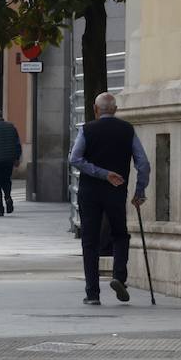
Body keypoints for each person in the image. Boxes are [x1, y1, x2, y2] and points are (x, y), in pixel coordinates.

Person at [71, 92, 150, 306]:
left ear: (96, 110)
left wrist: (101, 173)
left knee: (90, 241)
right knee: (120, 234)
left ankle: (93, 293)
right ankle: (119, 276)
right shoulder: (127, 130)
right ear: (115, 110)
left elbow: (75, 158)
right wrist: (139, 192)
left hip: (89, 192)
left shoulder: (86, 129)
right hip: (117, 191)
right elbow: (143, 163)